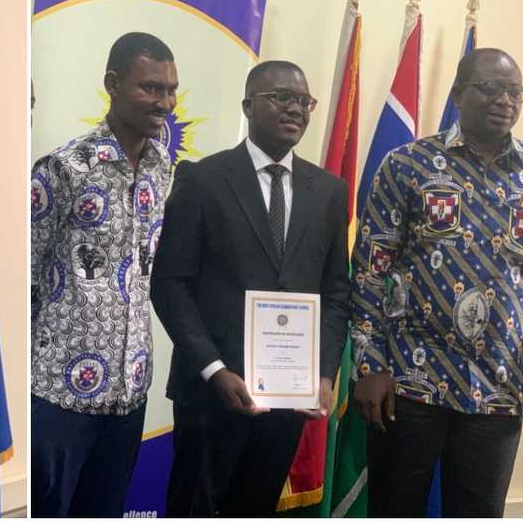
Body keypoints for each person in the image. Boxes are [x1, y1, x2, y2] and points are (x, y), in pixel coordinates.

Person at [351, 48, 523, 517]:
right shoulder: (407, 164)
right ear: (458, 93)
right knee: (394, 509)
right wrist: (368, 363)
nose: (505, 100)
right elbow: (370, 270)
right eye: (490, 88)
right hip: (409, 382)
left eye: (515, 91)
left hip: (498, 387)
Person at [151, 61, 350, 516]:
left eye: (304, 101)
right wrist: (215, 370)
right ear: (248, 105)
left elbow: (336, 291)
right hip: (210, 392)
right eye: (280, 97)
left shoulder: (329, 192)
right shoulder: (202, 180)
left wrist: (322, 374)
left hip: (287, 397)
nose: (295, 109)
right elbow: (169, 285)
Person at [30, 32, 176, 516]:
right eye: (151, 88)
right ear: (113, 84)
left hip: (129, 390)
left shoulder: (162, 169)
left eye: (171, 90)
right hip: (57, 392)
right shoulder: (64, 167)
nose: (165, 102)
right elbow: (27, 274)